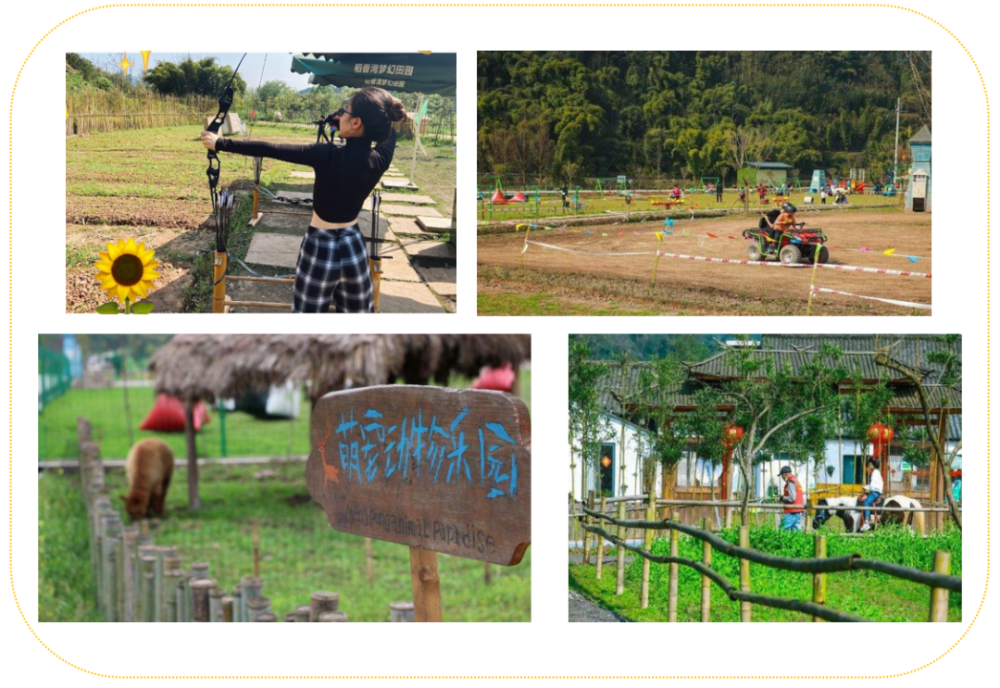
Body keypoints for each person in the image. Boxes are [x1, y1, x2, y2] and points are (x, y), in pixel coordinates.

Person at [201, 87, 406, 313]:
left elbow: (272, 149)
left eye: (344, 111)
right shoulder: (380, 160)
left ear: (356, 123)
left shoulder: (326, 154)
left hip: (320, 245)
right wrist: (388, 105)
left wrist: (219, 143)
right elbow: (388, 133)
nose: (339, 116)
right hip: (353, 245)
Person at [860, 458, 884, 532]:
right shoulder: (876, 472)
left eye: (866, 469)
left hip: (875, 492)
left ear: (869, 467)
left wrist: (864, 487)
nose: (866, 471)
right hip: (876, 492)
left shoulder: (875, 473)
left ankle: (866, 522)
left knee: (866, 503)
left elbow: (872, 487)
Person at [778, 466, 805, 531]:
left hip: (792, 511)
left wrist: (781, 498)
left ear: (786, 474)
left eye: (782, 475)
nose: (782, 477)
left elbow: (792, 497)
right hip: (797, 511)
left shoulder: (791, 482)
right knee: (796, 533)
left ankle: (782, 541)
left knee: (783, 530)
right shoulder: (795, 481)